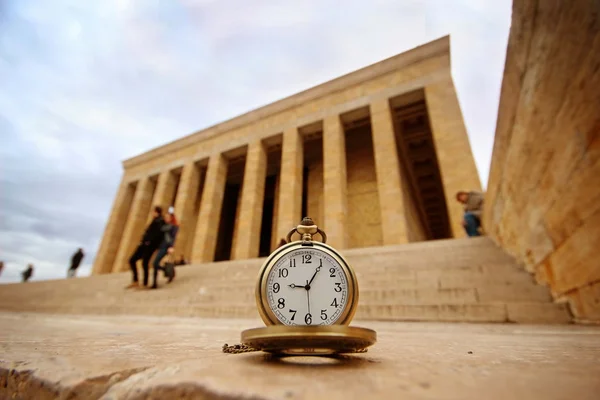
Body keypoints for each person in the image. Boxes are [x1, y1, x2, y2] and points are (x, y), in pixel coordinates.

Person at [126, 206, 165, 289]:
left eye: (153, 212)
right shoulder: (155, 221)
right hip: (143, 245)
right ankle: (135, 281)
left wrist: (150, 242)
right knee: (132, 260)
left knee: (144, 263)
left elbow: (159, 235)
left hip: (149, 246)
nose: (152, 213)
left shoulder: (160, 221)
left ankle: (145, 283)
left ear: (156, 212)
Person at [152, 207, 179, 289]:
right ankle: (157, 281)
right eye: (165, 217)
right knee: (155, 263)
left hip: (166, 247)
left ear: (171, 218)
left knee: (155, 263)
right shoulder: (163, 227)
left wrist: (171, 247)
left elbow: (173, 237)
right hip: (160, 246)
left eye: (168, 217)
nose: (166, 219)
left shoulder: (173, 227)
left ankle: (156, 282)